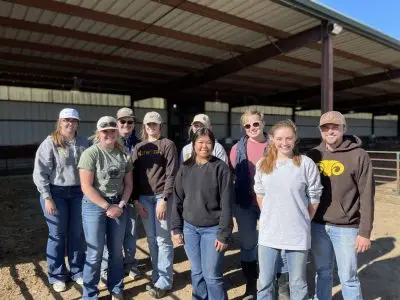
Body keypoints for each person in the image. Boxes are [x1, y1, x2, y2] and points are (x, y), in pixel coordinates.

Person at [307, 111, 375, 300]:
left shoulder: (359, 155)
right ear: (320, 131)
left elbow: (367, 196)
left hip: (346, 228)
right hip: (318, 226)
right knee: (322, 272)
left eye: (335, 126)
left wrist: (365, 232)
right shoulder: (313, 155)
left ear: (344, 128)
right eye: (325, 127)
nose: (330, 131)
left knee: (349, 277)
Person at [254, 120, 323, 300]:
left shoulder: (306, 164)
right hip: (269, 233)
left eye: (288, 138)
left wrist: (303, 218)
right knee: (265, 281)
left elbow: (315, 195)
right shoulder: (262, 164)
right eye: (279, 138)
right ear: (272, 139)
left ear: (295, 139)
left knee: (298, 283)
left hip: (297, 234)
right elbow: (259, 192)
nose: (284, 143)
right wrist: (272, 214)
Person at [172, 127, 234, 300]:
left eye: (208, 142)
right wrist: (176, 228)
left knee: (212, 276)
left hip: (213, 230)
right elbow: (177, 199)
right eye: (200, 142)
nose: (204, 146)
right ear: (193, 144)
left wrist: (224, 234)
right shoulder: (185, 168)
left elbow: (227, 203)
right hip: (189, 229)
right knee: (197, 273)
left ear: (213, 145)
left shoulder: (220, 168)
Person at [33, 108, 88, 292]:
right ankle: (57, 275)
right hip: (56, 194)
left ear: (78, 123)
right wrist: (47, 197)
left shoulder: (83, 143)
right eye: (66, 120)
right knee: (57, 234)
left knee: (77, 234)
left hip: (79, 194)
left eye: (73, 121)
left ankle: (77, 270)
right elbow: (40, 173)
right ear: (60, 122)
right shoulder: (50, 143)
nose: (70, 124)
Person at [78, 116, 133, 300]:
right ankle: (90, 294)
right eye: (105, 131)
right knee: (95, 252)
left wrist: (121, 205)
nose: (109, 134)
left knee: (116, 251)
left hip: (118, 204)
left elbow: (128, 185)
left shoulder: (124, 154)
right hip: (95, 205)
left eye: (112, 130)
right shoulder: (91, 153)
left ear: (117, 132)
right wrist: (107, 206)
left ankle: (116, 287)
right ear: (98, 133)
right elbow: (86, 187)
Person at [229, 108, 275, 299]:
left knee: (270, 244)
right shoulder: (237, 149)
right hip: (245, 204)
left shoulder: (275, 146)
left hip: (270, 204)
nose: (252, 128)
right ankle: (250, 285)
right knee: (248, 244)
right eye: (248, 125)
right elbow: (230, 175)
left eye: (256, 123)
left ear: (263, 123)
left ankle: (269, 284)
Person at [132, 111, 179, 298]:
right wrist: (135, 200)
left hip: (161, 196)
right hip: (143, 198)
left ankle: (165, 281)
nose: (152, 127)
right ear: (144, 126)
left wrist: (165, 199)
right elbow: (134, 176)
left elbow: (172, 172)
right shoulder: (139, 147)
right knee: (151, 239)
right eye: (148, 124)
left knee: (163, 239)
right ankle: (157, 274)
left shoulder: (167, 144)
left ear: (160, 126)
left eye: (155, 124)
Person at [101, 107, 141, 284]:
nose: (126, 124)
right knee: (105, 234)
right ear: (116, 123)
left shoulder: (138, 144)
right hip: (108, 197)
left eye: (129, 122)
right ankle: (105, 267)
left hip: (131, 196)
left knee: (130, 233)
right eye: (122, 121)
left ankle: (130, 263)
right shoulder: (104, 143)